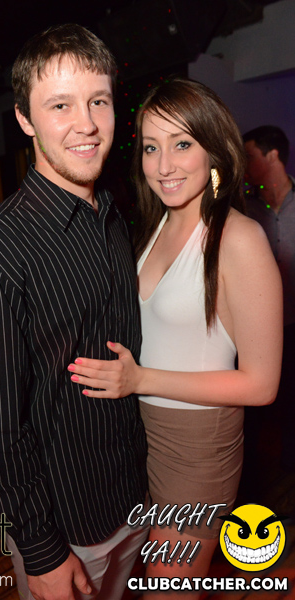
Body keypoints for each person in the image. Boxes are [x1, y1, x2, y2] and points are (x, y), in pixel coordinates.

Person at [0, 24, 148, 600]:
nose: (86, 123)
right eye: (60, 105)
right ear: (24, 119)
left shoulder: (113, 216)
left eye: (98, 101)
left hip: (138, 499)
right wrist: (40, 548)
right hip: (69, 528)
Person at [68, 79, 283, 598]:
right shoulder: (155, 226)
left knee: (168, 589)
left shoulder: (238, 238)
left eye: (182, 144)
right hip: (141, 434)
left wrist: (139, 379)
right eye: (150, 147)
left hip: (197, 446)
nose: (163, 165)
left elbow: (261, 385)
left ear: (214, 148)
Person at [243, 126, 295, 472]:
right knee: (255, 415)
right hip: (257, 329)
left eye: (250, 156)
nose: (245, 165)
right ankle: (253, 479)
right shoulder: (244, 209)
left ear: (273, 155)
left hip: (294, 324)